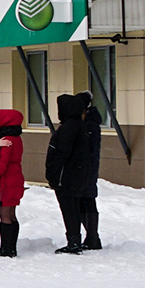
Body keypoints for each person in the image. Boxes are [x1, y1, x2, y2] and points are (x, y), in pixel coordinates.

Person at [45, 92, 104, 253]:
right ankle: (90, 237)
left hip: (76, 172)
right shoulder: (83, 125)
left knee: (76, 205)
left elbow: (63, 152)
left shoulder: (79, 126)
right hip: (82, 171)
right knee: (82, 203)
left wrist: (54, 173)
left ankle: (84, 238)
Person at [0, 108, 25, 257]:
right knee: (12, 214)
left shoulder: (6, 139)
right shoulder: (16, 137)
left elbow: (2, 163)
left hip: (4, 182)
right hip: (14, 179)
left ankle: (6, 248)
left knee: (4, 216)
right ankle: (11, 247)